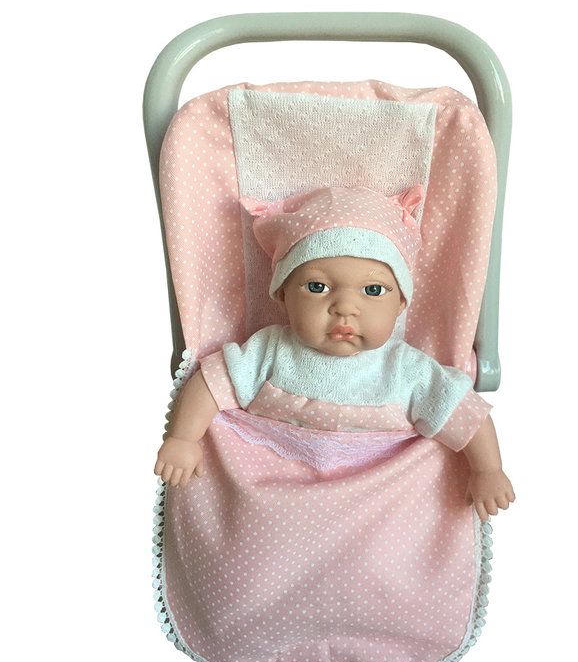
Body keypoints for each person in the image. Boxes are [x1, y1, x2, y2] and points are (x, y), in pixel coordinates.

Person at [154, 185, 515, 522]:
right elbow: (211, 382)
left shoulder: (405, 369)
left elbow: (465, 412)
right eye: (317, 286)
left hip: (375, 512)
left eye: (373, 290)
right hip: (275, 509)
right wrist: (183, 438)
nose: (345, 307)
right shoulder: (269, 351)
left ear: (401, 304)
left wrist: (488, 470)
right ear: (282, 295)